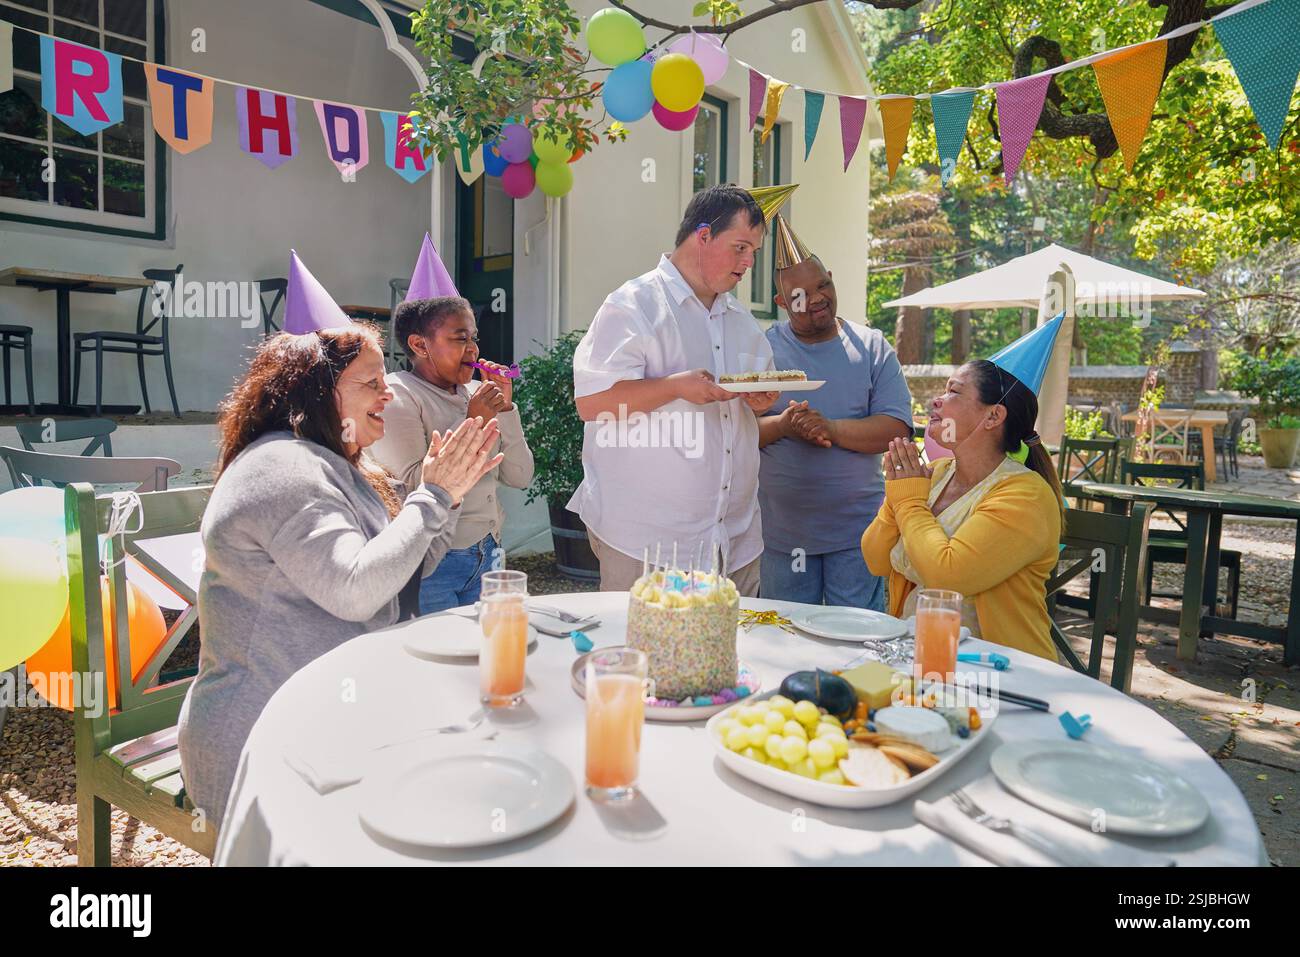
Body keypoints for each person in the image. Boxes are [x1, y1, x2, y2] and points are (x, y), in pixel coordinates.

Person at [178, 253, 503, 830]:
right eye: (372, 384)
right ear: (317, 392)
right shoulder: (282, 469)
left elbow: (403, 570)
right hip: (264, 738)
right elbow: (355, 591)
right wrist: (433, 497)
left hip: (333, 716)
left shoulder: (341, 465)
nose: (389, 395)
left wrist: (445, 494)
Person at [569, 184, 792, 596]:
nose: (748, 264)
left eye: (754, 252)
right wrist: (674, 387)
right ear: (703, 235)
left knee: (728, 658)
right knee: (640, 658)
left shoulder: (742, 321)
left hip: (733, 541)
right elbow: (592, 403)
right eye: (741, 247)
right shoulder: (632, 304)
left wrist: (761, 401)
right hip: (646, 541)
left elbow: (751, 404)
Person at [861, 314, 1068, 661]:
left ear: (993, 417)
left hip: (1001, 672)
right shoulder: (936, 473)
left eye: (954, 392)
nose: (936, 401)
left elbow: (947, 576)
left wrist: (910, 503)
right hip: (917, 656)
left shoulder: (1026, 496)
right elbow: (875, 560)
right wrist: (895, 500)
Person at [757, 215, 912, 609]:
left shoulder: (872, 347)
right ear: (780, 303)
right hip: (781, 533)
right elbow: (736, 432)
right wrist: (785, 425)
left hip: (858, 533)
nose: (816, 299)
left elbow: (897, 430)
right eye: (799, 296)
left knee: (857, 641)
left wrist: (831, 428)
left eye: (822, 285)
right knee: (785, 639)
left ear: (830, 277)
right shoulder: (762, 350)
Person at [370, 295, 534, 613]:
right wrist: (475, 420)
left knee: (485, 652)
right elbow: (414, 486)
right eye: (460, 338)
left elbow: (520, 475)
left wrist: (507, 408)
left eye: (474, 338)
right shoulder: (398, 396)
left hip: (490, 552)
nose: (473, 349)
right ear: (419, 345)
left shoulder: (477, 393)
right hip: (435, 562)